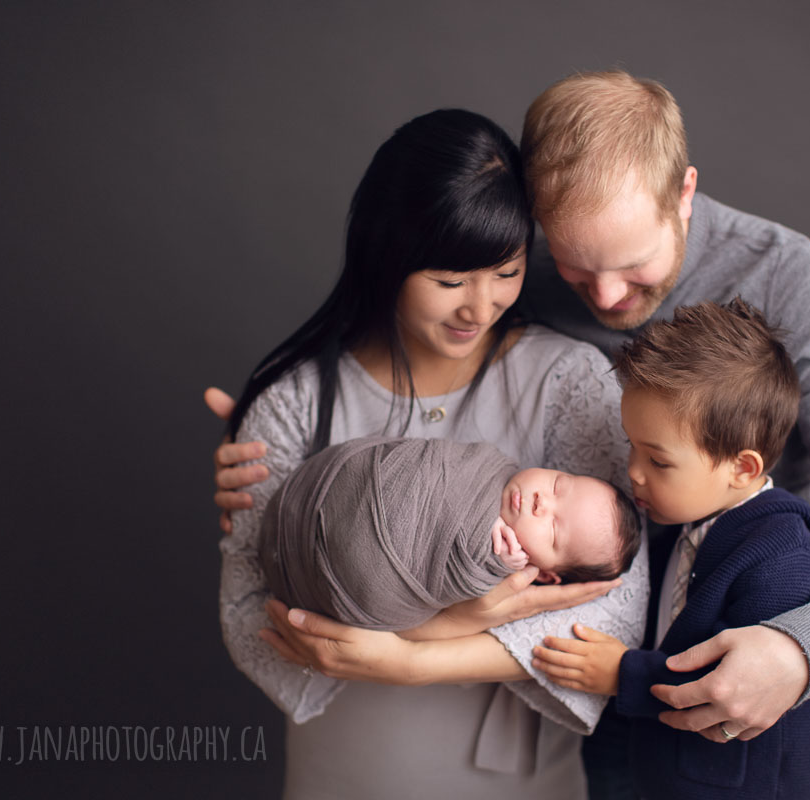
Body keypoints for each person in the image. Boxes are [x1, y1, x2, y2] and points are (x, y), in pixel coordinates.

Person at [214, 108, 649, 799]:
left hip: (517, 778)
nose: (480, 307)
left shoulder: (570, 382)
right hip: (349, 767)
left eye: (506, 273)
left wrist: (416, 656)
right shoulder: (296, 402)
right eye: (450, 282)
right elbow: (248, 613)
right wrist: (451, 623)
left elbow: (617, 604)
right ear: (387, 254)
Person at [534, 300, 810, 798]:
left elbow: (733, 682)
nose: (633, 470)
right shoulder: (691, 521)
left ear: (742, 468)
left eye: (658, 460)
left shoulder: (783, 559)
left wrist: (622, 673)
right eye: (632, 445)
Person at [261, 435, 642, 630]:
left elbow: (462, 585)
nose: (544, 502)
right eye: (560, 484)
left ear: (542, 573)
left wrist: (494, 565)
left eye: (554, 531)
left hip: (346, 575)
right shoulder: (487, 464)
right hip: (328, 488)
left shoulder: (499, 561)